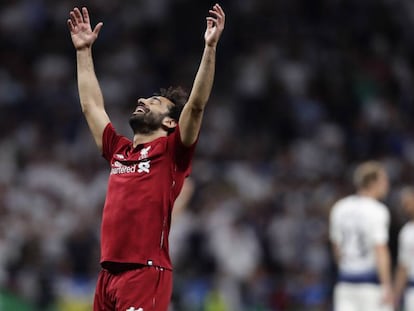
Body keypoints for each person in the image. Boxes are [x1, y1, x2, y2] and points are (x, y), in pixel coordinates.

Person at [67, 4, 225, 311]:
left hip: (145, 273)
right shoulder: (119, 150)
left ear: (169, 123)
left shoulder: (172, 154)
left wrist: (210, 47)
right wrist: (83, 51)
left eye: (153, 102)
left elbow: (195, 107)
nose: (142, 100)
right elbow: (92, 107)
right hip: (108, 275)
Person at [329, 161, 393, 311]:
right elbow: (380, 249)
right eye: (384, 180)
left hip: (345, 282)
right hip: (370, 285)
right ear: (373, 182)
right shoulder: (377, 210)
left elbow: (336, 248)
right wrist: (386, 285)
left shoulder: (340, 207)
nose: (387, 185)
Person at [394, 186, 414, 311]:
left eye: (408, 202)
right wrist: (396, 295)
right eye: (403, 204)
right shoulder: (406, 232)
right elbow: (403, 267)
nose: (405, 206)